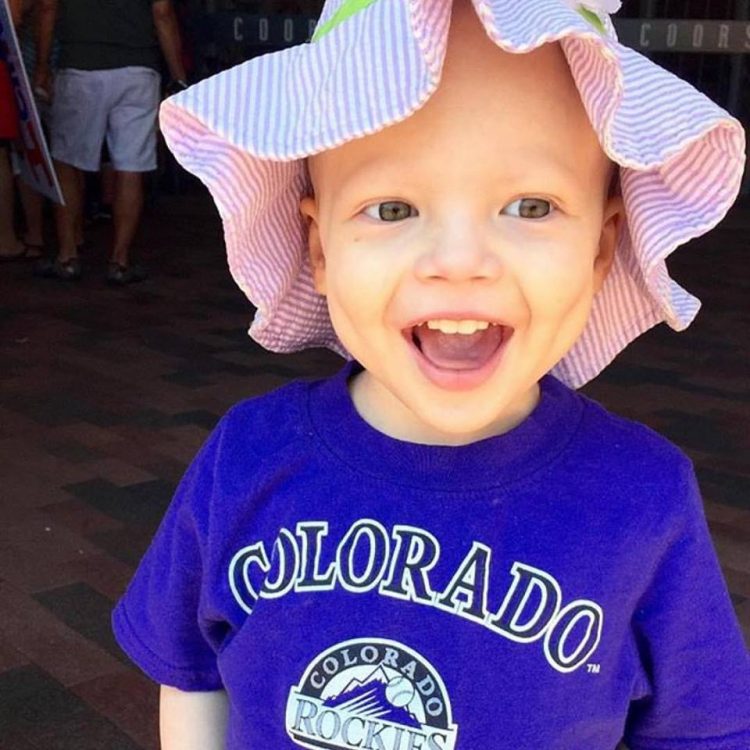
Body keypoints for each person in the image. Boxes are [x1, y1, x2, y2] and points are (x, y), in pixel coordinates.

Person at [112, 0, 750, 748]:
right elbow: (193, 671)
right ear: (319, 249)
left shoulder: (644, 498)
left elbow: (698, 731)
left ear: (603, 245)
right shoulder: (245, 458)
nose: (458, 261)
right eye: (392, 208)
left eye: (529, 205)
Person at [33, 0, 187, 283]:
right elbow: (163, 12)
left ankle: (67, 256)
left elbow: (47, 7)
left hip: (80, 65)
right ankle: (120, 260)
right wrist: (178, 77)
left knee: (67, 162)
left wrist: (42, 66)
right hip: (138, 71)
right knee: (130, 166)